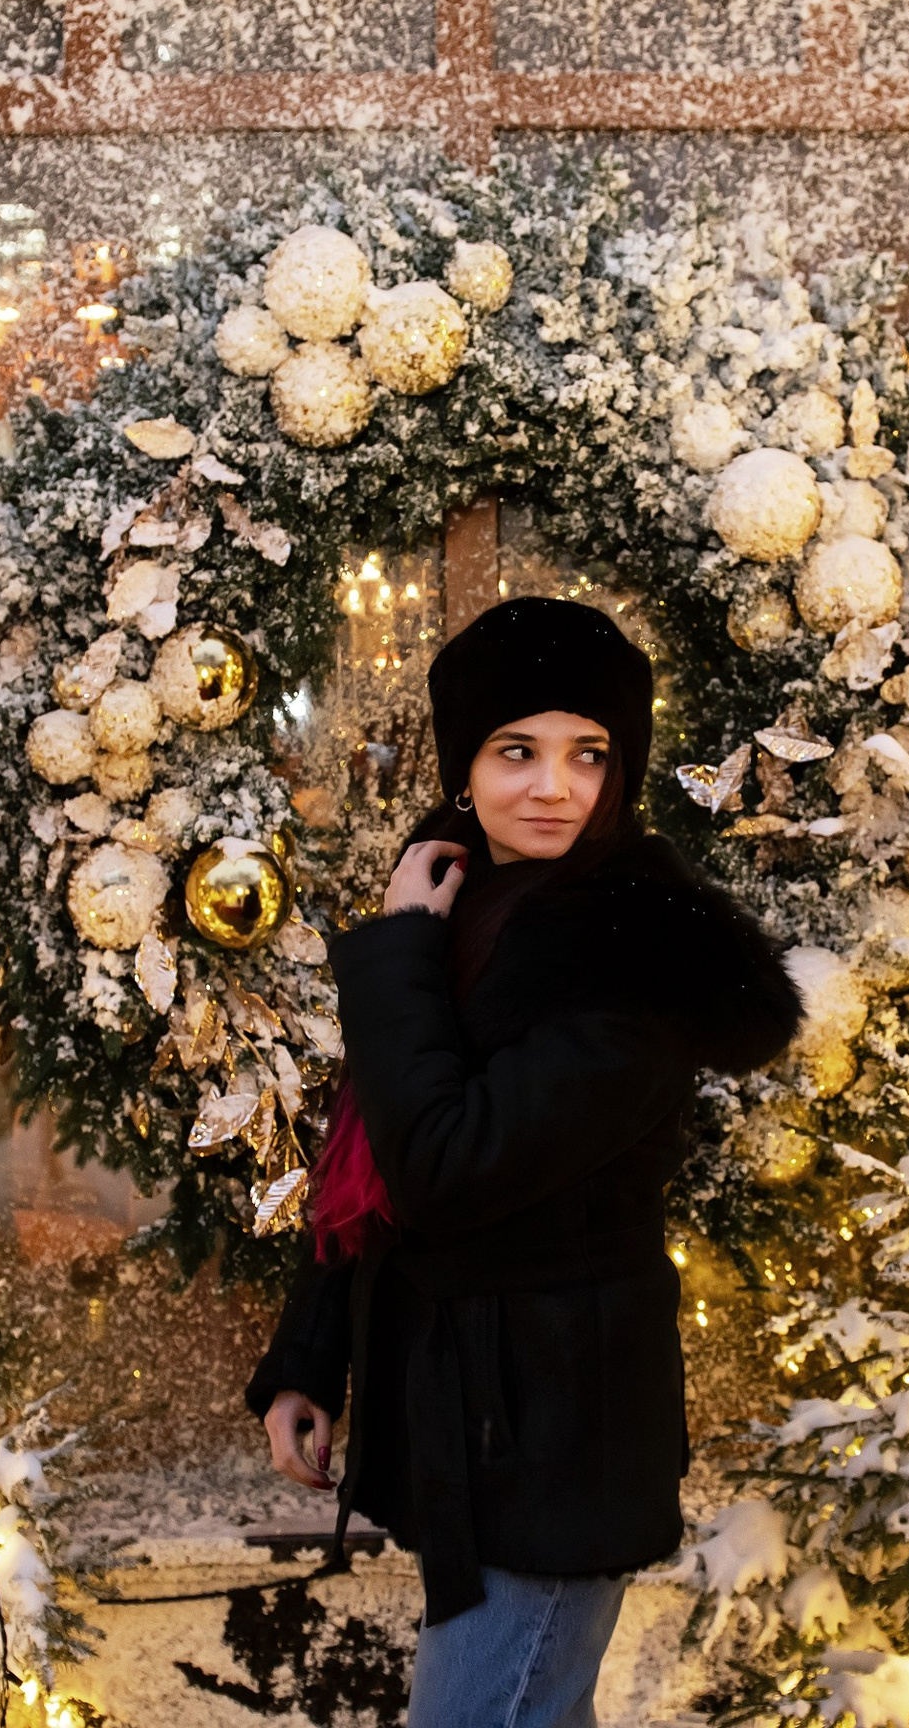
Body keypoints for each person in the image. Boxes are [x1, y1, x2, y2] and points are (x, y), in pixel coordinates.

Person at [244, 594, 806, 1728]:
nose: (552, 785)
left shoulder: (633, 955)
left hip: (554, 1438)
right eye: (517, 750)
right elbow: (378, 1152)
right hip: (477, 1422)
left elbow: (446, 1165)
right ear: (465, 764)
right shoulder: (463, 904)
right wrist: (309, 1356)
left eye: (587, 753)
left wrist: (396, 956)